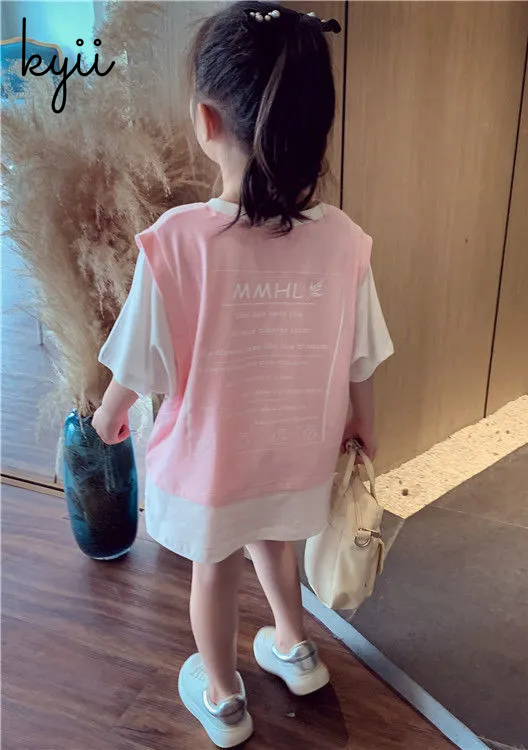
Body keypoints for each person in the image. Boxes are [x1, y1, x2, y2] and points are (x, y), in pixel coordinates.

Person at [92, 3, 393, 746]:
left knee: (215, 568)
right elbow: (361, 353)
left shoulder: (177, 242)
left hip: (215, 462)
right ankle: (295, 648)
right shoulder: (345, 241)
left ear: (205, 120)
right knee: (274, 540)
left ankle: (223, 695)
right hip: (294, 454)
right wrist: (364, 420)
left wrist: (108, 415)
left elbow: (140, 359)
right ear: (318, 129)